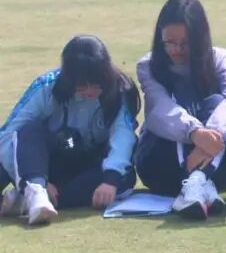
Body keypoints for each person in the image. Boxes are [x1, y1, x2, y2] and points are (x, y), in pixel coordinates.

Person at [0, 35, 140, 225]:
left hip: (89, 166)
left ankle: (26, 202)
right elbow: (9, 134)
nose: (89, 91)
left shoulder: (121, 90)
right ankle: (35, 192)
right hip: (41, 163)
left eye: (96, 83)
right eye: (82, 85)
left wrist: (110, 180)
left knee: (124, 177)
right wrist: (36, 181)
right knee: (28, 131)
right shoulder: (47, 87)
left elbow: (123, 137)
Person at [134, 0, 226, 219]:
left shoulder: (218, 59)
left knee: (217, 103)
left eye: (185, 43)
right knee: (176, 110)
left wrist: (211, 136)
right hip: (162, 165)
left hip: (218, 168)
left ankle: (198, 181)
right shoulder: (149, 66)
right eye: (169, 42)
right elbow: (158, 109)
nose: (176, 50)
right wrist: (195, 133)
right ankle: (197, 184)